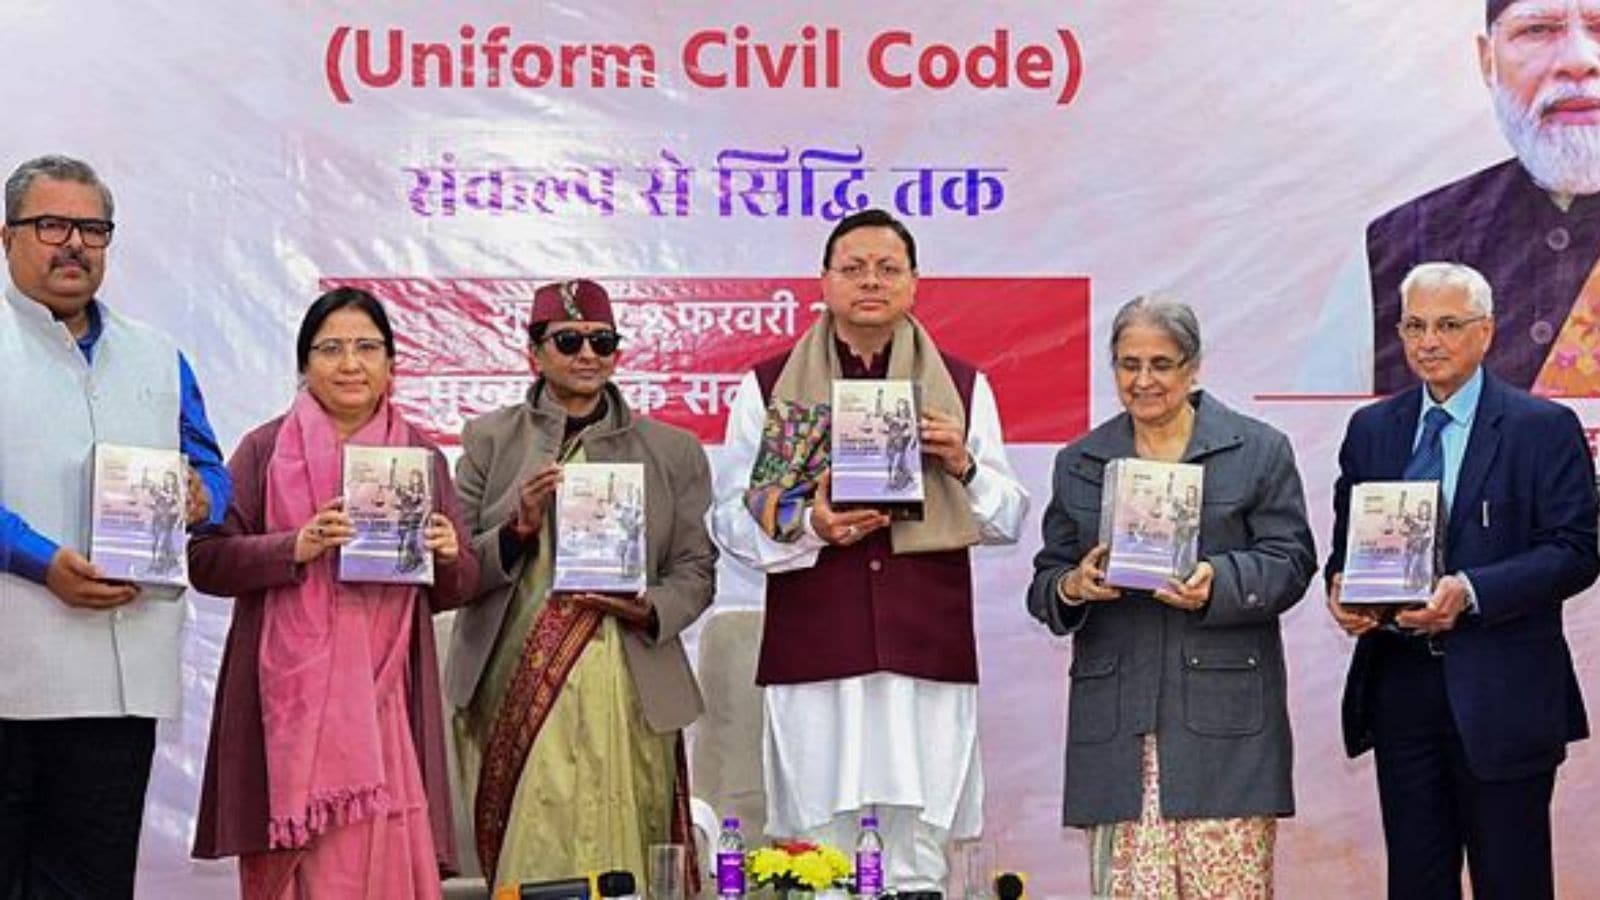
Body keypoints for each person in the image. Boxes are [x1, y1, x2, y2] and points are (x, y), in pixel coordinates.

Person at [712, 208, 1030, 893]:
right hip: (816, 653)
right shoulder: (769, 387)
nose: (871, 282)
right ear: (823, 281)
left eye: (888, 269)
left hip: (925, 653)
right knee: (817, 856)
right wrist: (808, 524)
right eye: (853, 268)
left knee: (919, 855)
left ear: (915, 283)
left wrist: (963, 464)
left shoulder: (960, 387)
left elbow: (1009, 517)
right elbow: (728, 520)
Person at [188, 287, 478, 897]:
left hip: (387, 704)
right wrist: (294, 546)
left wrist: (450, 555)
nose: (350, 364)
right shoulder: (265, 450)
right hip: (290, 714)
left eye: (367, 348)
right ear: (304, 364)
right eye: (331, 349)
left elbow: (457, 587)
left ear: (391, 364)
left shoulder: (420, 458)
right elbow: (206, 561)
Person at [1027, 296, 1317, 898]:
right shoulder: (1080, 462)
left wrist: (1218, 580)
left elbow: (1291, 562)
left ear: (1193, 366)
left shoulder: (1258, 450)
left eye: (1161, 364)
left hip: (1226, 730)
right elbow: (1046, 581)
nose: (1143, 381)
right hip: (1118, 735)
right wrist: (1073, 585)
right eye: (1128, 364)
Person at [1326, 262, 1598, 899]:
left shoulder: (1542, 428)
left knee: (1512, 882)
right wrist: (1343, 591)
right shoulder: (1372, 430)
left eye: (1448, 325)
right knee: (1416, 884)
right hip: (1401, 691)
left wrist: (1471, 591)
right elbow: (1346, 548)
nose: (1429, 342)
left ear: (1486, 332)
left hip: (1504, 693)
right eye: (1415, 326)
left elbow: (1577, 551)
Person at [0, 154, 231, 898]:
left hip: (117, 681)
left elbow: (211, 467)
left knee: (91, 884)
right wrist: (39, 560)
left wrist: (203, 497)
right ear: (7, 238)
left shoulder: (158, 355)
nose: (74, 243)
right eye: (51, 225)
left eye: (92, 229)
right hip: (11, 663)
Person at [444, 279, 717, 890]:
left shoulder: (671, 450)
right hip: (513, 681)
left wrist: (649, 607)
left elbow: (696, 569)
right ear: (534, 353)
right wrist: (517, 526)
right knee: (533, 849)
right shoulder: (489, 441)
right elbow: (454, 570)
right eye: (568, 341)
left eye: (603, 341)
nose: (588, 354)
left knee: (628, 853)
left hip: (631, 678)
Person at [1305, 0, 1600, 394]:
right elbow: (1321, 422)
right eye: (1537, 30)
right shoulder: (1395, 246)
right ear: (1488, 61)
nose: (1579, 61)